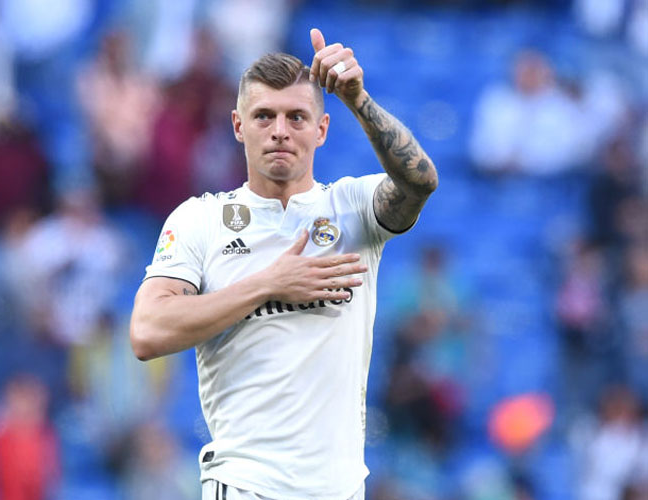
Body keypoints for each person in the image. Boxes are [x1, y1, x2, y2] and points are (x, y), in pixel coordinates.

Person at [130, 28, 438, 499]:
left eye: (296, 117)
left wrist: (358, 100)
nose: (280, 130)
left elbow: (420, 182)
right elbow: (147, 332)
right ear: (238, 126)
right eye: (264, 116)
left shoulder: (353, 208)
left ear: (322, 129)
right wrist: (268, 284)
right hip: (246, 485)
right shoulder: (199, 220)